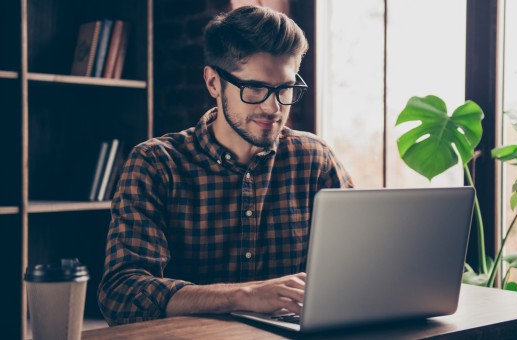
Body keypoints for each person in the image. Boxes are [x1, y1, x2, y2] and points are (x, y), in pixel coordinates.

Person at [97, 5, 353, 326]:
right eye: (255, 88)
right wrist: (242, 296)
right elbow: (121, 293)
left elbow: (360, 266)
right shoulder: (155, 163)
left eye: (285, 89)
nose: (273, 107)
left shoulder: (316, 159)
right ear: (214, 83)